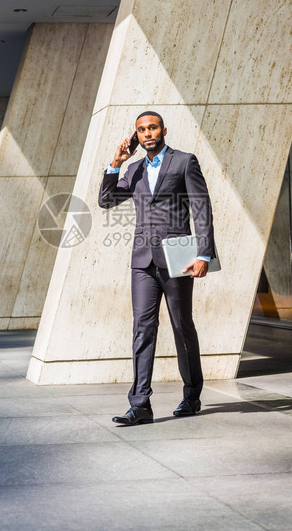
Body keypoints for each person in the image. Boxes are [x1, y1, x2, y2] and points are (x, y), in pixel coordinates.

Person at [98, 111, 215, 425]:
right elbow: (106, 200)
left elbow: (202, 208)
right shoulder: (134, 169)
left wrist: (204, 253)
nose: (148, 133)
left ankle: (191, 396)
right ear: (136, 135)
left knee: (181, 326)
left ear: (163, 129)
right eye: (141, 130)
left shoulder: (184, 162)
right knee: (143, 329)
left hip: (178, 257)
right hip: (142, 260)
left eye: (152, 127)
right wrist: (116, 162)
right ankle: (140, 405)